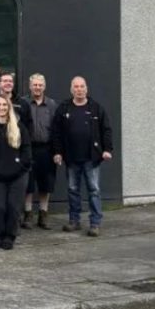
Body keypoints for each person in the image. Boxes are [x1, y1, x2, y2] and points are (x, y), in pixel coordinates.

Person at [52, 76, 113, 237]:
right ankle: (74, 220)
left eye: (82, 86)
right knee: (73, 190)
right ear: (71, 89)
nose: (79, 89)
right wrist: (57, 152)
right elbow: (56, 132)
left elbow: (106, 129)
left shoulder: (96, 108)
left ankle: (95, 223)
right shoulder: (64, 108)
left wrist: (107, 149)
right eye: (76, 87)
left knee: (94, 190)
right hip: (71, 158)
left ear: (86, 89)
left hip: (91, 158)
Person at [0, 95, 32, 250]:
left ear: (9, 107)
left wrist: (20, 166)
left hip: (18, 176)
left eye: (4, 105)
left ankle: (9, 236)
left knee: (13, 208)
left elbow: (26, 151)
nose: (1, 108)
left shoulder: (19, 127)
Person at [21, 73, 59, 230]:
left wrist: (57, 151)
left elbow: (57, 129)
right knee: (28, 184)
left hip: (46, 149)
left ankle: (43, 214)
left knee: (46, 184)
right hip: (28, 148)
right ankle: (28, 214)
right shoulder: (23, 103)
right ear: (30, 86)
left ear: (44, 87)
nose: (37, 87)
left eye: (40, 85)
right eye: (35, 85)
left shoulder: (52, 104)